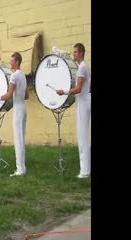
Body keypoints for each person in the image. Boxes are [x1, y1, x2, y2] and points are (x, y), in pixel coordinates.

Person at [56, 43, 91, 179]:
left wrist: (64, 92)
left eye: (76, 52)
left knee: (82, 137)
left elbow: (78, 89)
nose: (74, 54)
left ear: (81, 53)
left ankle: (85, 171)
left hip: (83, 102)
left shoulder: (82, 67)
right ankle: (85, 169)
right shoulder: (84, 66)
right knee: (84, 136)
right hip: (84, 100)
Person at [0, 52, 29, 177]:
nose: (10, 62)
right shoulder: (23, 75)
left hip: (18, 108)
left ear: (17, 62)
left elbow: (8, 95)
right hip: (23, 107)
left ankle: (20, 169)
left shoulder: (14, 76)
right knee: (21, 138)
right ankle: (22, 167)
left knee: (18, 139)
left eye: (12, 61)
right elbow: (27, 95)